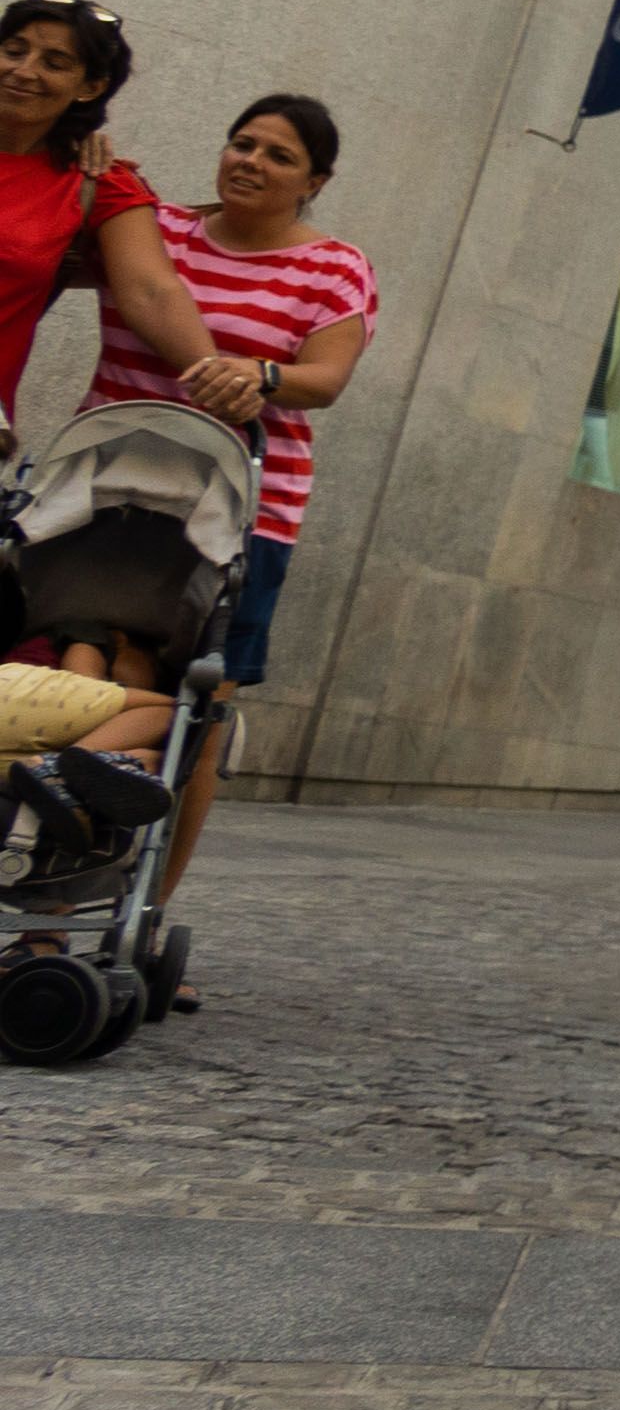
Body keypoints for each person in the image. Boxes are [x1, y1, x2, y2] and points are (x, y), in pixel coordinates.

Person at [80, 94, 382, 925]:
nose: (250, 161)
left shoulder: (334, 268)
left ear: (314, 180)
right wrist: (86, 171)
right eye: (241, 143)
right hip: (107, 497)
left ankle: (145, 910)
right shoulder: (162, 233)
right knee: (89, 664)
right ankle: (61, 852)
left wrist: (264, 376)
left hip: (245, 511)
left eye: (279, 156)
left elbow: (326, 377)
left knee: (202, 707)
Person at [0, 0, 216, 452]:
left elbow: (152, 292)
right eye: (14, 50)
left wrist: (216, 379)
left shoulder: (96, 181)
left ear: (91, 86)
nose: (24, 70)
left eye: (54, 62)